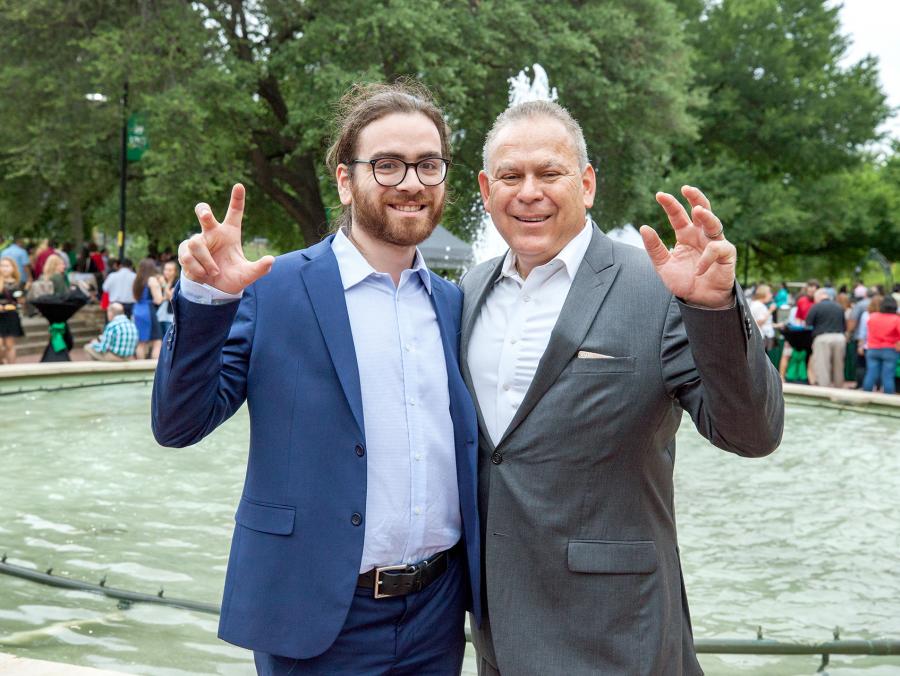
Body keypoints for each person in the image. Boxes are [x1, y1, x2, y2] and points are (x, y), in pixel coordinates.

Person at [152, 81, 480, 675]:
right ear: (344, 180)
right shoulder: (272, 289)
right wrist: (203, 300)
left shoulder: (454, 304)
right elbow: (178, 423)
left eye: (428, 165)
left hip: (437, 616)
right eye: (387, 165)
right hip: (315, 618)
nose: (411, 183)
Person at [461, 100, 783, 676]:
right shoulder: (468, 290)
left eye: (549, 173)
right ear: (487, 190)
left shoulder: (659, 286)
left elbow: (751, 433)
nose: (528, 191)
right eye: (510, 176)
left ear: (586, 184)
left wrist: (710, 308)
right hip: (496, 632)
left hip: (618, 634)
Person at [806, 288, 847, 388]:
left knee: (822, 366)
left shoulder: (816, 307)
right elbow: (844, 325)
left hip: (822, 338)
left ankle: (824, 391)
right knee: (839, 366)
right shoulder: (839, 307)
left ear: (818, 296)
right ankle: (839, 389)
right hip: (839, 337)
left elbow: (808, 324)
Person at [862, 295, 900, 394]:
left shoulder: (873, 316)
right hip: (890, 349)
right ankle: (888, 399)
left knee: (871, 374)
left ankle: (866, 395)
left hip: (873, 348)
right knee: (888, 376)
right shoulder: (896, 319)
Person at [132, 258, 164, 359]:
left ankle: (139, 367)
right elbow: (158, 300)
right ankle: (154, 369)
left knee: (141, 342)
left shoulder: (137, 280)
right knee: (157, 341)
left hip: (137, 310)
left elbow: (134, 297)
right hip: (148, 311)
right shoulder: (152, 280)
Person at [0, 256, 26, 364]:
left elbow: (21, 302)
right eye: (2, 266)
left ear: (13, 268)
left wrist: (19, 303)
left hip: (11, 316)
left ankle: (12, 369)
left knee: (10, 344)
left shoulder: (18, 284)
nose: (4, 268)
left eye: (7, 265)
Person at [750, 283, 776, 350]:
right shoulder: (758, 305)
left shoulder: (759, 304)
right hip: (760, 338)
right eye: (769, 293)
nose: (771, 295)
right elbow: (759, 322)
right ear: (763, 294)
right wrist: (770, 310)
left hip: (762, 337)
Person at [157, 260, 179, 336]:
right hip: (160, 314)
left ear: (175, 272)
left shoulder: (177, 283)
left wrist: (164, 285)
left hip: (170, 316)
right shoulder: (161, 281)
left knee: (168, 339)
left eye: (170, 270)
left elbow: (171, 297)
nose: (167, 272)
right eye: (165, 269)